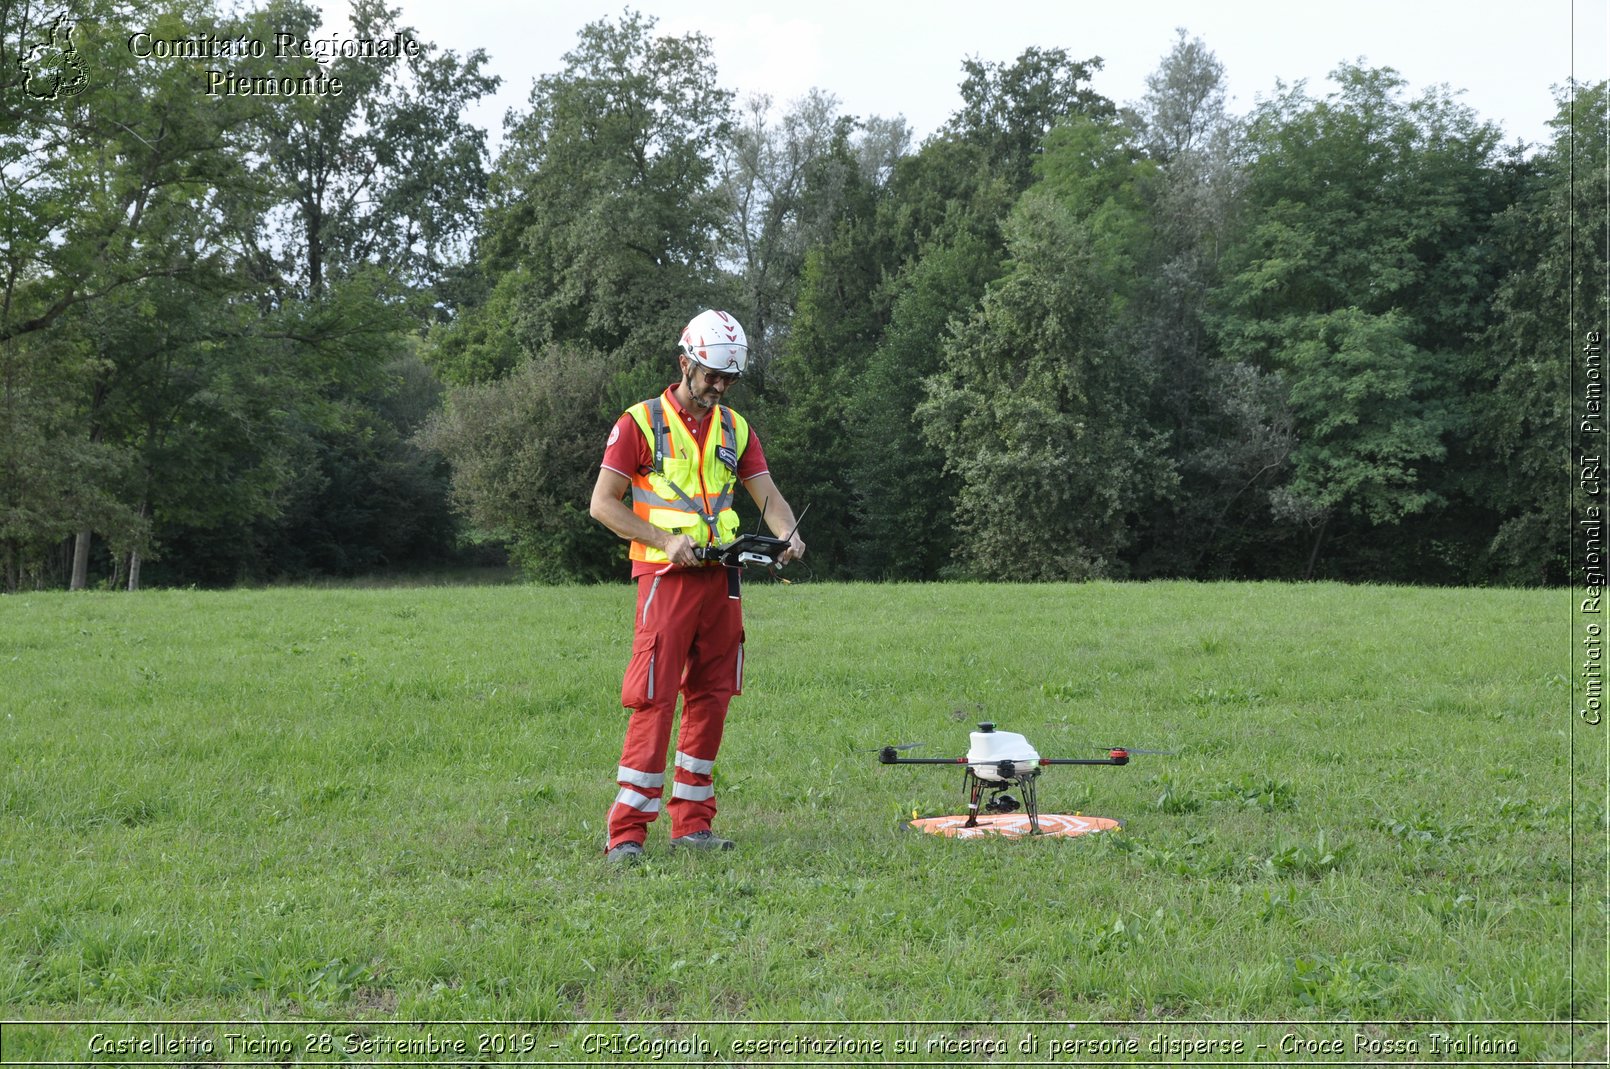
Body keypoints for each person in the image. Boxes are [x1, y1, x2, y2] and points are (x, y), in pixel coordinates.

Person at [588, 309, 805, 864]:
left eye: (729, 379)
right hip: (666, 579)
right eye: (711, 375)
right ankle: (628, 834)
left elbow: (769, 496)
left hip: (723, 578)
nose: (720, 387)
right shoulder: (638, 422)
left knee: (712, 697)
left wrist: (789, 535)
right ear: (685, 363)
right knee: (654, 699)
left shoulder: (736, 428)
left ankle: (692, 826)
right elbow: (602, 505)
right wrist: (663, 540)